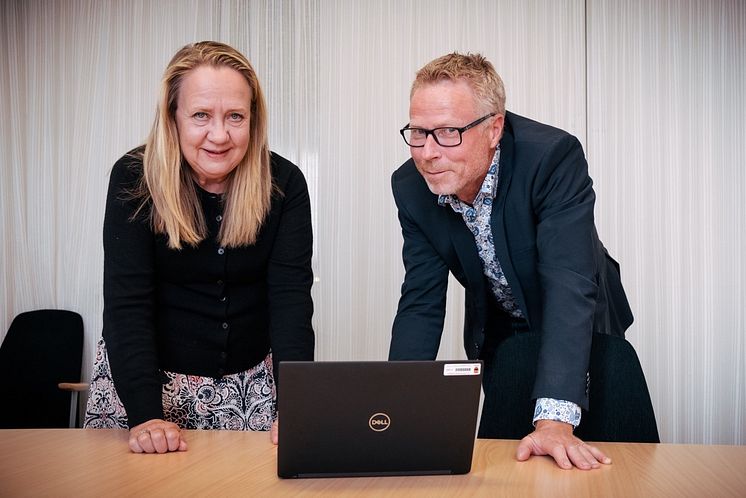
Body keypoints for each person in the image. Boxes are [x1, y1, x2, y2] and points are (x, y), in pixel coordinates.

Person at [389, 53, 634, 470]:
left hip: (578, 314)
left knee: (586, 447)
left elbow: (567, 282)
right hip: (502, 325)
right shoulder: (411, 187)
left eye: (448, 131)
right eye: (418, 132)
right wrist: (390, 408)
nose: (427, 152)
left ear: (493, 129)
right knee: (506, 457)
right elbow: (421, 303)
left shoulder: (552, 157)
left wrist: (555, 419)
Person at [83, 41, 314, 454]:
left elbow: (291, 302)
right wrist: (146, 414)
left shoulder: (285, 184)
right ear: (173, 118)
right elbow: (127, 305)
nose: (220, 135)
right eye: (201, 115)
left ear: (253, 120)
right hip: (146, 388)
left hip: (249, 391)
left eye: (235, 117)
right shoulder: (135, 179)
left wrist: (298, 405)